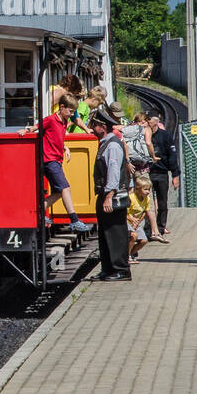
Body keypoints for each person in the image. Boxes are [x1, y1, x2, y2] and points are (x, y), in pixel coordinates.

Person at [20, 92, 89, 236]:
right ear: (62, 107)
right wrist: (25, 131)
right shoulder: (51, 120)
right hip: (49, 160)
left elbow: (57, 137)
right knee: (65, 188)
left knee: (59, 192)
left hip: (56, 159)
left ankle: (39, 211)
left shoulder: (64, 121)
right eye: (70, 111)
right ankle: (74, 220)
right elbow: (36, 127)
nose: (71, 114)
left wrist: (65, 147)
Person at [90, 106, 131, 280]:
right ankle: (108, 268)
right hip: (105, 195)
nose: (91, 128)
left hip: (112, 196)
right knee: (105, 233)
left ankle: (120, 269)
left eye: (94, 125)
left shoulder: (112, 146)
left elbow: (114, 173)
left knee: (115, 233)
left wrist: (108, 196)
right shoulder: (106, 144)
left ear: (103, 127)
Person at [148, 115, 180, 236]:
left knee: (162, 202)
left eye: (149, 122)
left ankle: (161, 227)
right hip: (148, 172)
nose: (147, 125)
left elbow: (172, 155)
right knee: (147, 202)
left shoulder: (165, 135)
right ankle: (149, 228)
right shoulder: (144, 134)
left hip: (161, 172)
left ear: (155, 123)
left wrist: (175, 174)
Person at [126, 175, 156, 263]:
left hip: (136, 222)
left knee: (143, 240)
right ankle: (127, 257)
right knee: (133, 236)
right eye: (145, 189)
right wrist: (131, 220)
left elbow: (144, 211)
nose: (148, 192)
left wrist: (138, 222)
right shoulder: (131, 198)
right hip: (127, 221)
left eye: (149, 189)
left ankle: (130, 253)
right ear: (138, 189)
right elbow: (124, 212)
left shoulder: (146, 199)